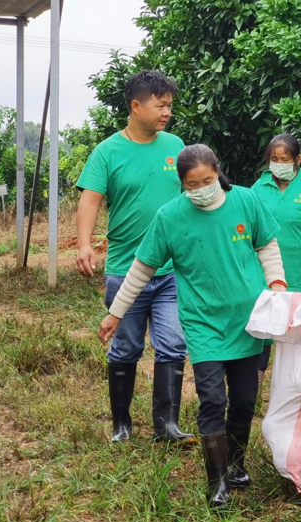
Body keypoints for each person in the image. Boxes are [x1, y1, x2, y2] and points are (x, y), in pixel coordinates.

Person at [97, 144, 287, 508]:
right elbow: (141, 270)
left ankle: (236, 465)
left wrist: (276, 283)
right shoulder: (170, 217)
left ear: (219, 172)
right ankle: (217, 484)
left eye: (208, 180)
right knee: (213, 399)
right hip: (203, 323)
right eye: (192, 184)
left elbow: (267, 246)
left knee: (245, 400)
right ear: (181, 184)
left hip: (249, 319)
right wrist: (115, 313)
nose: (202, 188)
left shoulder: (245, 201)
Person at [76, 70, 193, 444]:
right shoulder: (108, 152)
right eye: (161, 105)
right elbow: (90, 199)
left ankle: (167, 425)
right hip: (125, 268)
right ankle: (121, 424)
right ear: (136, 105)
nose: (166, 113)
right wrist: (84, 244)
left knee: (173, 343)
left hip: (173, 269)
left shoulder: (176, 147)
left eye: (170, 106)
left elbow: (195, 194)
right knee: (126, 347)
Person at [251, 134, 301, 389]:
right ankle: (253, 391)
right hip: (262, 275)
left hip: (300, 276)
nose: (278, 164)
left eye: (284, 159)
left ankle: (293, 390)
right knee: (261, 334)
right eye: (273, 159)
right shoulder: (258, 189)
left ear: (298, 159)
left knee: (297, 334)